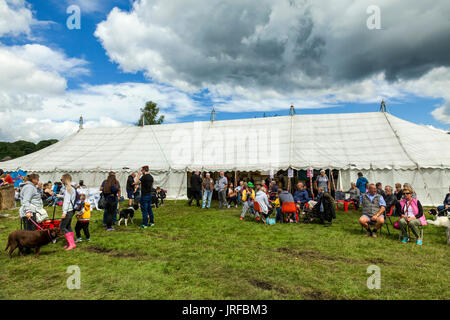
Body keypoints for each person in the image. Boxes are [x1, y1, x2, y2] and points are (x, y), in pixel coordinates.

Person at [18, 173, 43, 254]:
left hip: (32, 211)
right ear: (33, 180)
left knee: (30, 231)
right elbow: (26, 200)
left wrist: (39, 189)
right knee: (28, 233)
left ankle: (27, 249)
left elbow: (36, 197)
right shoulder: (29, 187)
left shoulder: (32, 187)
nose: (38, 181)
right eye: (37, 179)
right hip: (29, 212)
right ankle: (25, 250)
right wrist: (28, 211)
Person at [60, 173, 77, 250]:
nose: (61, 181)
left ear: (65, 180)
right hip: (72, 209)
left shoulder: (68, 189)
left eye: (61, 179)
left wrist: (64, 212)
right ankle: (70, 243)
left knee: (62, 227)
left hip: (68, 210)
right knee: (68, 226)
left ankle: (71, 244)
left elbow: (67, 201)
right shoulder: (72, 188)